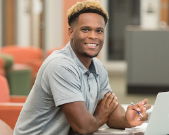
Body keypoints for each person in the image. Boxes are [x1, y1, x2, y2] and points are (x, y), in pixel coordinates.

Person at [14, 0, 151, 134]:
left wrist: (126, 119)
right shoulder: (60, 66)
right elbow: (83, 128)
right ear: (71, 32)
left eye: (99, 31)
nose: (93, 36)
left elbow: (109, 110)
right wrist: (99, 117)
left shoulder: (98, 67)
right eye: (85, 30)